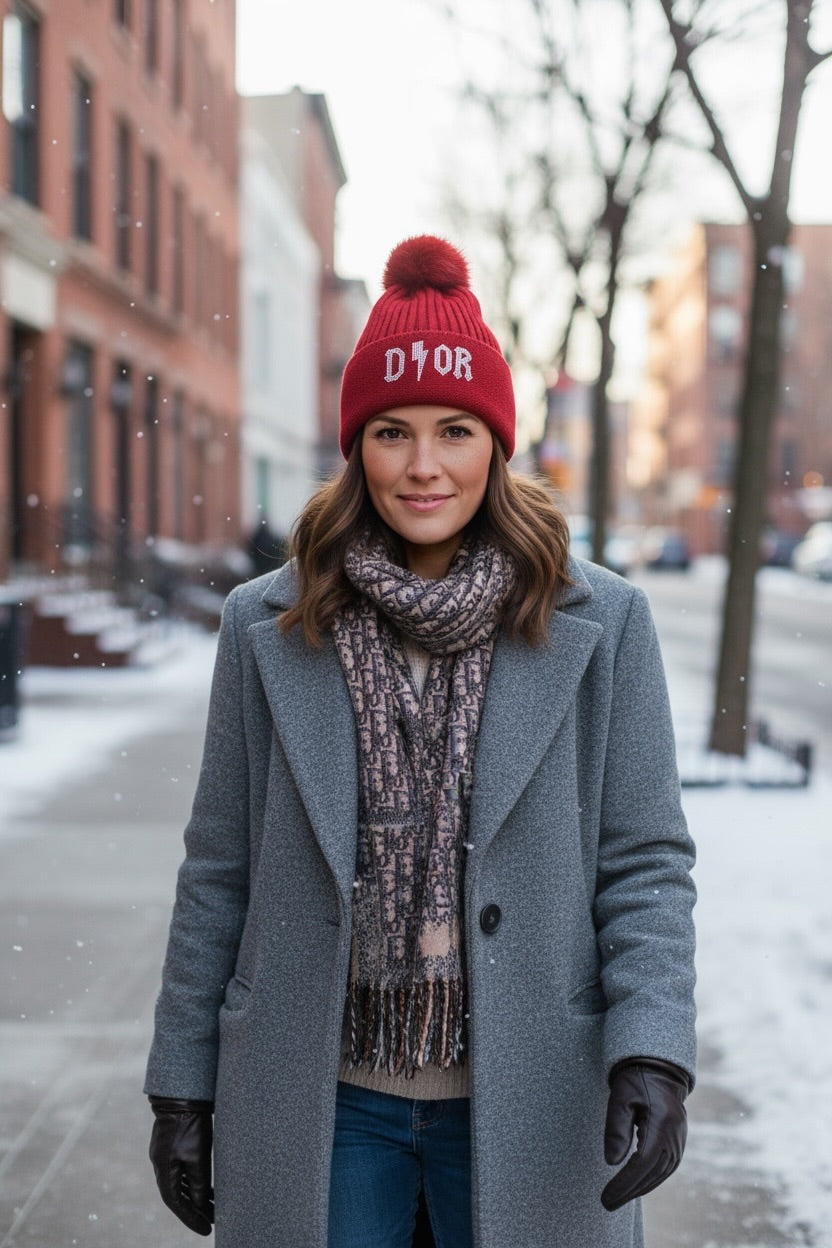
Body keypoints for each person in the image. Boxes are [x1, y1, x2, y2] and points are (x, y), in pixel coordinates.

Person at [145, 235, 696, 1248]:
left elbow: (644, 861)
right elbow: (220, 868)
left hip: (530, 1091)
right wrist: (181, 1086)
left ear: (497, 440)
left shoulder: (602, 625)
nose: (425, 465)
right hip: (324, 1097)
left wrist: (652, 1048)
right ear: (358, 445)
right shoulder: (268, 623)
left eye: (455, 429)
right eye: (392, 432)